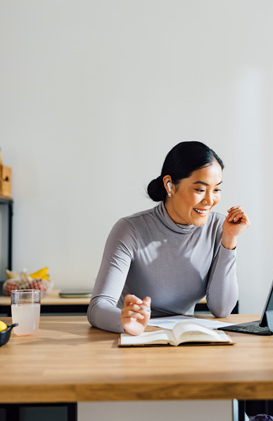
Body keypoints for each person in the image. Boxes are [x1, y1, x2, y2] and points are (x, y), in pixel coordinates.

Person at [87, 141, 250, 335]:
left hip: (184, 339)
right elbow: (98, 307)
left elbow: (221, 309)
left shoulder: (218, 227)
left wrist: (229, 240)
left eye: (216, 190)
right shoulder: (130, 230)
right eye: (200, 189)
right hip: (137, 339)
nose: (209, 200)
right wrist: (124, 321)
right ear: (170, 185)